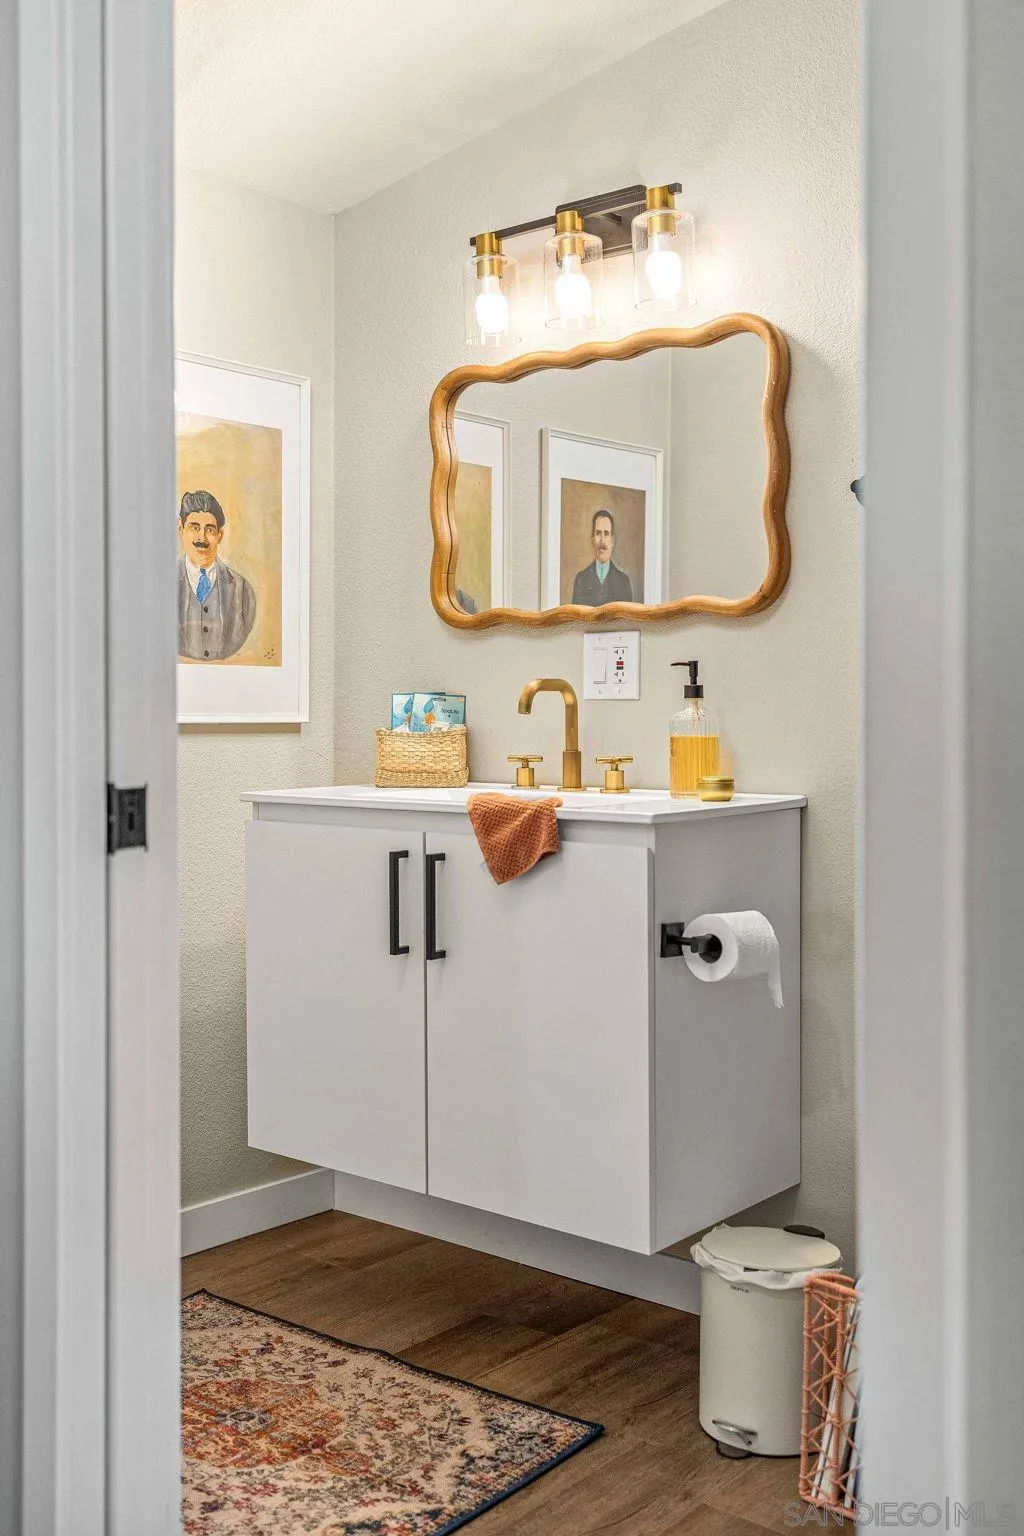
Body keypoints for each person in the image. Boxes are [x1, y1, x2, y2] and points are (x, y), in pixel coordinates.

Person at [177, 489, 257, 660]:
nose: (202, 537)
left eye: (210, 530)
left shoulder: (243, 591)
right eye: (194, 527)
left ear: (219, 535)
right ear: (181, 528)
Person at [571, 509, 634, 605]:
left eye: (606, 533)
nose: (602, 541)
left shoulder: (624, 582)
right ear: (592, 540)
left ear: (612, 541)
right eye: (598, 533)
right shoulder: (581, 579)